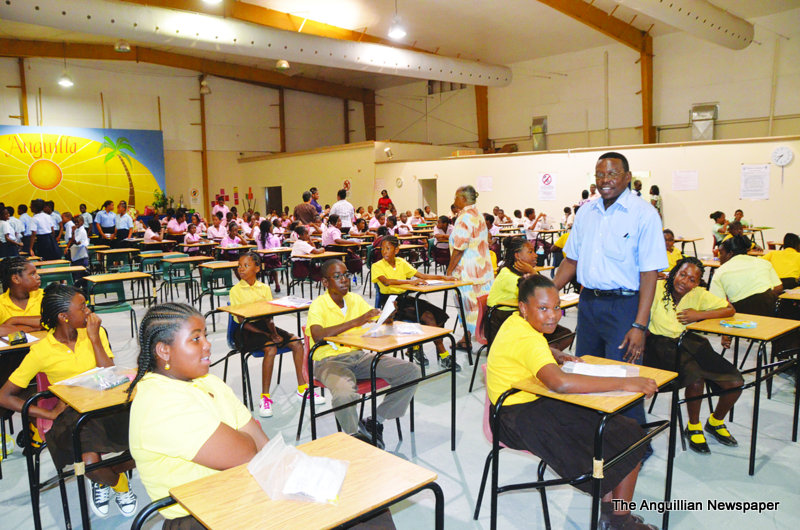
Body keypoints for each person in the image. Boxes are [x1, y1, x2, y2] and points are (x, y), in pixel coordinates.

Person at [487, 274, 657, 530]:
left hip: (517, 406)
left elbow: (528, 351)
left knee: (611, 431)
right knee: (633, 439)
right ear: (523, 307)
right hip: (521, 418)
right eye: (542, 308)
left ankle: (610, 509)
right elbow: (561, 384)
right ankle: (620, 521)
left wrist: (553, 353)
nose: (553, 315)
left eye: (556, 307)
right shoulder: (527, 338)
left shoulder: (515, 323)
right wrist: (624, 382)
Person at [0, 284, 137, 518]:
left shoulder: (95, 333)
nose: (88, 311)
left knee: (148, 442)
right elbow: (4, 395)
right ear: (64, 317)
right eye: (82, 307)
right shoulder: (42, 351)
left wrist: (94, 339)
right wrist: (48, 414)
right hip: (73, 413)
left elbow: (109, 373)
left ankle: (106, 477)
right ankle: (118, 483)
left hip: (108, 403)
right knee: (90, 464)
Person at [554, 151, 667, 435]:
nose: (605, 180)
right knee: (585, 370)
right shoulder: (586, 212)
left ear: (627, 177)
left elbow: (649, 274)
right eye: (600, 174)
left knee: (623, 376)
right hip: (589, 303)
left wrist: (639, 325)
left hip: (625, 307)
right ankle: (592, 436)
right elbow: (571, 260)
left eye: (612, 174)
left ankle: (632, 443)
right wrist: (546, 293)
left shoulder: (644, 214)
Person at [127, 303, 268, 528]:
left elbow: (263, 446)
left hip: (242, 493)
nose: (207, 345)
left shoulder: (209, 382)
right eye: (196, 339)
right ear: (164, 350)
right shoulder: (160, 403)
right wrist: (245, 441)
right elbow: (247, 453)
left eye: (205, 335)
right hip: (199, 516)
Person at [307, 259, 420, 449]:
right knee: (344, 394)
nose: (344, 280)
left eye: (346, 275)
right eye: (337, 276)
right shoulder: (319, 305)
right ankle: (354, 437)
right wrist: (356, 321)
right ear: (325, 282)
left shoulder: (354, 299)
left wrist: (387, 316)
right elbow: (317, 335)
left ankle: (376, 420)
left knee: (411, 371)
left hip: (358, 357)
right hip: (329, 361)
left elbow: (374, 319)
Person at [644, 257, 743, 454]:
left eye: (692, 279)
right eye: (682, 274)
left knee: (735, 382)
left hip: (687, 341)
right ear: (674, 273)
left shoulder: (698, 294)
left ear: (697, 283)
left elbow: (729, 310)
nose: (685, 282)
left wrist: (700, 315)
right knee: (695, 379)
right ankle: (694, 426)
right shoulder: (657, 287)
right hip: (658, 347)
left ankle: (715, 422)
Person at [230, 253, 321, 418]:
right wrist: (268, 335)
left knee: (296, 343)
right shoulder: (235, 291)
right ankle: (265, 397)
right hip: (245, 330)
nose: (241, 269)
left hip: (265, 326)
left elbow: (268, 316)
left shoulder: (264, 288)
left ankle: (303, 388)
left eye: (246, 265)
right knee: (270, 348)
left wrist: (273, 332)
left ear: (257, 268)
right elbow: (243, 320)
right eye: (239, 266)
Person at [372, 236, 457, 369]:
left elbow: (422, 276)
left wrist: (443, 277)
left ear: (396, 250)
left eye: (388, 248)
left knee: (435, 315)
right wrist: (410, 282)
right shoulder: (377, 266)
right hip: (390, 304)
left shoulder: (401, 262)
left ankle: (426, 351)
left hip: (405, 299)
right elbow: (386, 281)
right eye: (382, 249)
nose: (384, 252)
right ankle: (436, 353)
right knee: (425, 317)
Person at [486, 237, 573, 350]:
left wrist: (532, 272)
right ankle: (537, 357)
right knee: (558, 334)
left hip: (519, 316)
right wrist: (532, 272)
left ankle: (540, 357)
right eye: (530, 252)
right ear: (517, 255)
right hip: (502, 320)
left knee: (565, 335)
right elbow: (540, 292)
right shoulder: (507, 275)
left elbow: (543, 290)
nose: (536, 255)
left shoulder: (522, 273)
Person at [446, 185, 494, 358]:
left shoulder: (464, 217)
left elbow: (459, 248)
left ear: (463, 199)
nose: (454, 200)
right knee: (482, 305)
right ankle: (471, 337)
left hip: (468, 270)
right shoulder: (478, 215)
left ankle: (475, 338)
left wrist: (449, 271)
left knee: (467, 306)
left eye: (456, 197)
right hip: (482, 268)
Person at [711, 235, 782, 316]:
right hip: (771, 305)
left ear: (730, 254)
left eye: (721, 253)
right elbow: (779, 288)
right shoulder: (763, 262)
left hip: (743, 310)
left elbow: (717, 302)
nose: (719, 257)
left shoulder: (720, 271)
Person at [0, 257, 43, 336]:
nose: (38, 276)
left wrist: (14, 320)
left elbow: (53, 320)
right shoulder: (1, 302)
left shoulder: (44, 295)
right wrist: (34, 328)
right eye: (32, 274)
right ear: (16, 279)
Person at [66, 215, 90, 287]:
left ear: (82, 222)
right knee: (75, 275)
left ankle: (84, 292)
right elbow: (72, 240)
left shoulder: (82, 231)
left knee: (82, 277)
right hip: (76, 256)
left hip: (81, 257)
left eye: (77, 222)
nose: (76, 224)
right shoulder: (77, 230)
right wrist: (67, 247)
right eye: (75, 222)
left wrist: (73, 232)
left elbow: (76, 241)